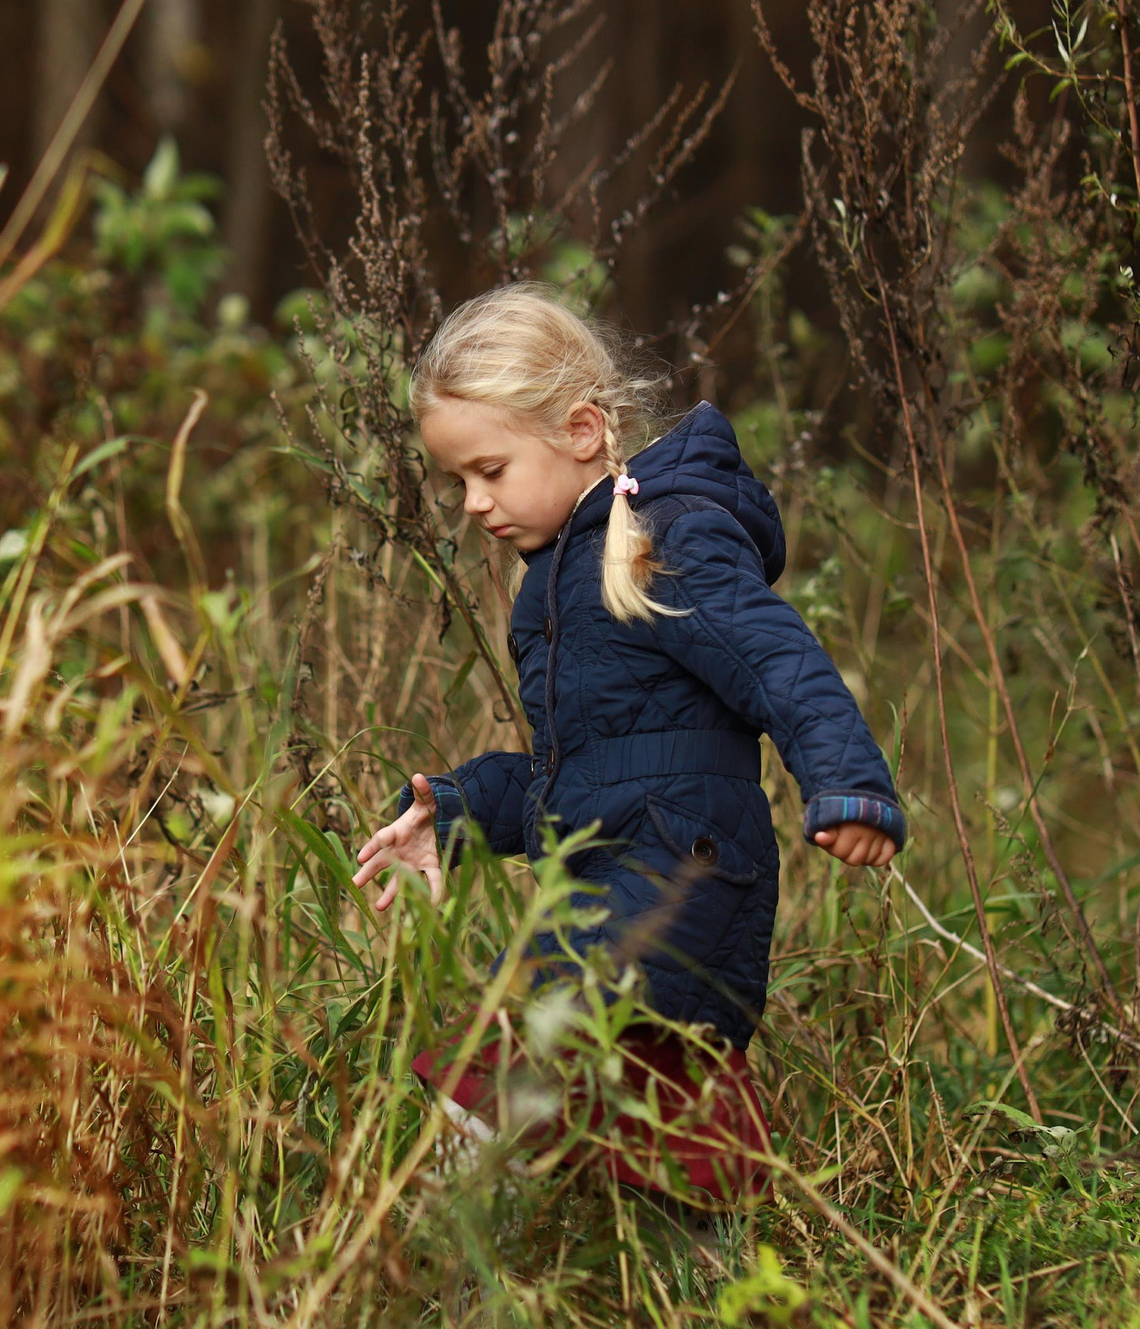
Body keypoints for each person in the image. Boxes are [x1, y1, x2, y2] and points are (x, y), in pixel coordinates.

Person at [351, 282, 906, 1204]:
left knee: (514, 1044)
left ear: (577, 430)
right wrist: (454, 812)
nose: (473, 504)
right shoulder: (554, 584)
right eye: (458, 482)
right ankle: (703, 1282)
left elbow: (779, 661)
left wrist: (848, 784)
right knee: (664, 1130)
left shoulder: (666, 535)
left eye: (490, 470)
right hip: (623, 867)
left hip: (679, 875)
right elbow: (585, 771)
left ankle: (426, 1262)